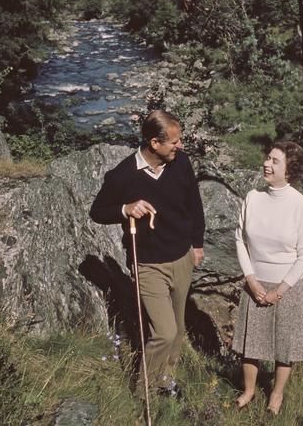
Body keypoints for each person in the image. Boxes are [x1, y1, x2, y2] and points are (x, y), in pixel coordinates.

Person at [89, 109, 205, 397]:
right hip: (147, 263)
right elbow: (97, 212)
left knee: (177, 330)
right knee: (163, 332)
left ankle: (166, 381)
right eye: (174, 142)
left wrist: (197, 244)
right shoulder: (122, 175)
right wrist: (125, 209)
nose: (180, 146)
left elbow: (194, 205)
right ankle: (144, 392)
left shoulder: (181, 163)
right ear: (154, 143)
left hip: (181, 257)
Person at [232, 140, 303, 415]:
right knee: (251, 345)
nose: (267, 164)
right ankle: (248, 391)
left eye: (275, 161)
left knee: (284, 346)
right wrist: (251, 280)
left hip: (287, 287)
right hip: (255, 282)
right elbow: (240, 240)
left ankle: (276, 395)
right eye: (268, 158)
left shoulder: (301, 206)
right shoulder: (253, 198)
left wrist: (279, 290)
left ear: (289, 171)